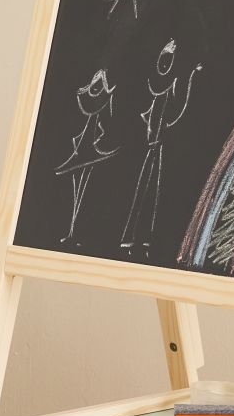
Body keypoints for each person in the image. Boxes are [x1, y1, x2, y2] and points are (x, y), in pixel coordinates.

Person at [121, 40, 200, 255]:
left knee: (155, 192)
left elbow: (177, 110)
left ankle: (146, 238)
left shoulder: (173, 87)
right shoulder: (160, 89)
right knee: (147, 191)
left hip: (163, 146)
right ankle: (136, 237)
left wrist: (190, 73)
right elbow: (158, 107)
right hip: (155, 146)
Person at [56, 70, 118, 244]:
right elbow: (86, 98)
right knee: (77, 190)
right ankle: (72, 232)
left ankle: (76, 232)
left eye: (99, 85)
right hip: (83, 153)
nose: (95, 89)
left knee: (83, 191)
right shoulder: (93, 107)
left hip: (92, 153)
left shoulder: (103, 105)